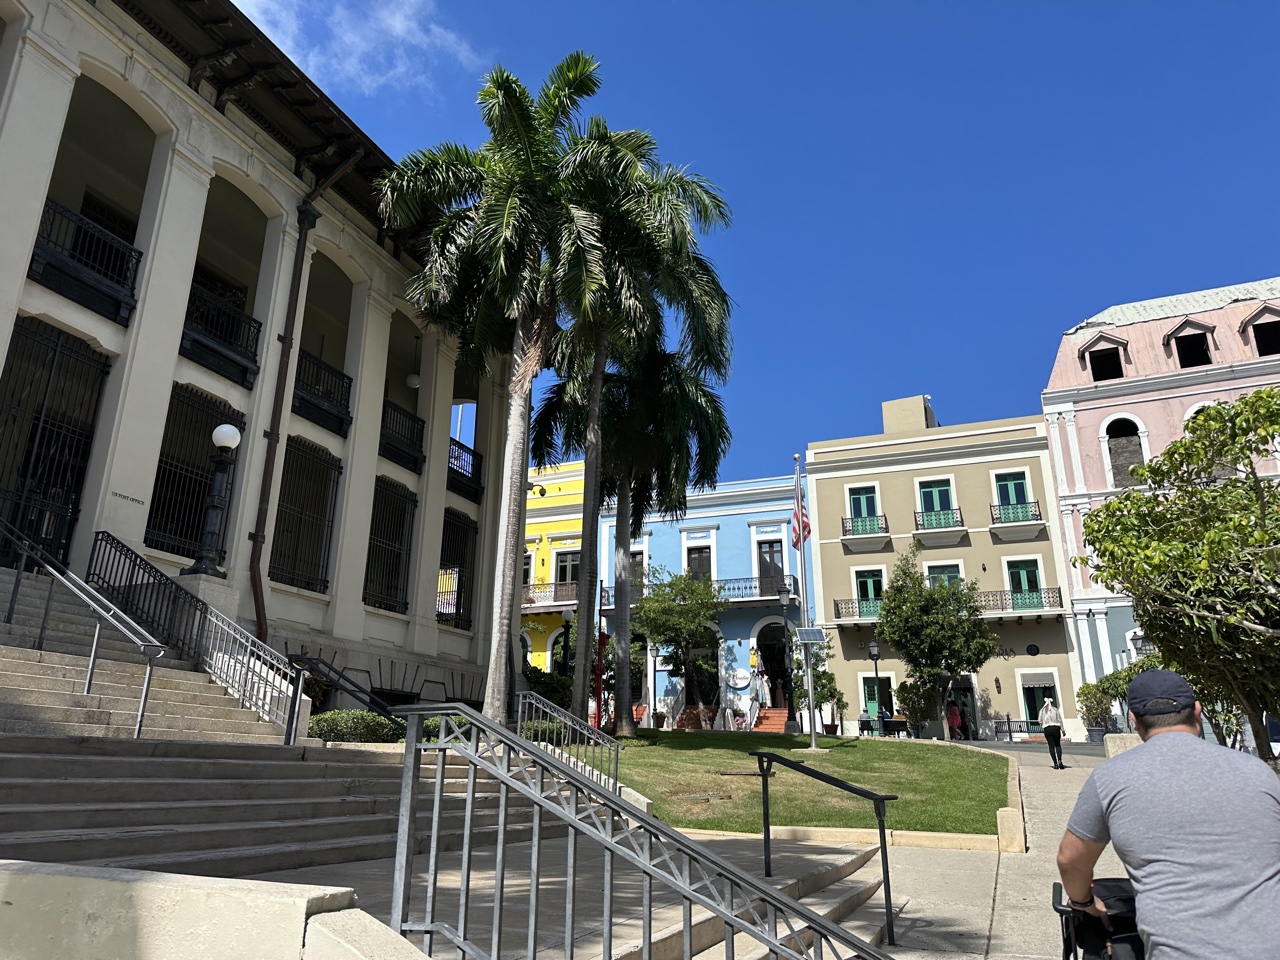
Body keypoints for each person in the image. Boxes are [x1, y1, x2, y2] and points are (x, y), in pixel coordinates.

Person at [1057, 670, 1280, 960]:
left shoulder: (1109, 778)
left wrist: (1084, 902)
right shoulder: (1259, 773)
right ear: (1197, 711)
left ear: (1133, 720)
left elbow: (1070, 858)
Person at [1039, 697, 1065, 768]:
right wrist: (1063, 730)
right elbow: (1059, 720)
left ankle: (1055, 763)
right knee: (1057, 745)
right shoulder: (1055, 710)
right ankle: (1060, 760)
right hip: (1056, 728)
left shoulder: (1042, 710)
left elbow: (1039, 720)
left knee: (1051, 746)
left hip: (1047, 728)